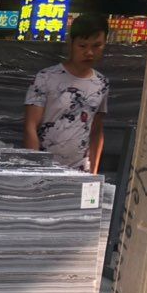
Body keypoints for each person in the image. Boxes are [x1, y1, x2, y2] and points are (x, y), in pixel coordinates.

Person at [23, 13, 110, 173]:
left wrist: (93, 173)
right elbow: (30, 126)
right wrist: (35, 171)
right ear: (71, 43)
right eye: (82, 46)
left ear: (105, 44)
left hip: (80, 171)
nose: (89, 52)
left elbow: (96, 130)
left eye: (96, 46)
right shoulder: (46, 78)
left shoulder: (101, 84)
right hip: (45, 169)